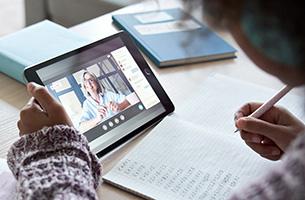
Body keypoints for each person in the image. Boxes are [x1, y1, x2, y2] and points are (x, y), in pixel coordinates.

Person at [7, 0, 305, 199]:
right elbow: (83, 122)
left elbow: (122, 99)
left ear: (270, 32)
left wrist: (52, 151)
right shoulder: (86, 106)